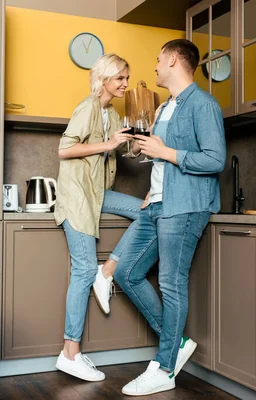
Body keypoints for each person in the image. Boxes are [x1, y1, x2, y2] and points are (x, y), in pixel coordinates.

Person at [114, 39, 226, 396]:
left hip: (187, 205)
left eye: (159, 60)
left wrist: (166, 152)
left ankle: (164, 368)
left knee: (171, 283)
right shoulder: (165, 108)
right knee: (125, 272)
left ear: (175, 60)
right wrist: (142, 149)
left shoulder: (203, 104)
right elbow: (161, 157)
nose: (155, 66)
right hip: (158, 202)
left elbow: (214, 159)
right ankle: (175, 343)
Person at [53, 54, 143, 382]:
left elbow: (113, 150)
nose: (125, 83)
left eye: (126, 77)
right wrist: (109, 142)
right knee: (81, 271)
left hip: (99, 195)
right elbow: (64, 149)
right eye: (120, 77)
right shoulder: (88, 106)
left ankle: (107, 272)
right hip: (78, 199)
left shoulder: (112, 112)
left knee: (147, 212)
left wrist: (130, 144)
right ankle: (70, 353)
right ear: (103, 79)